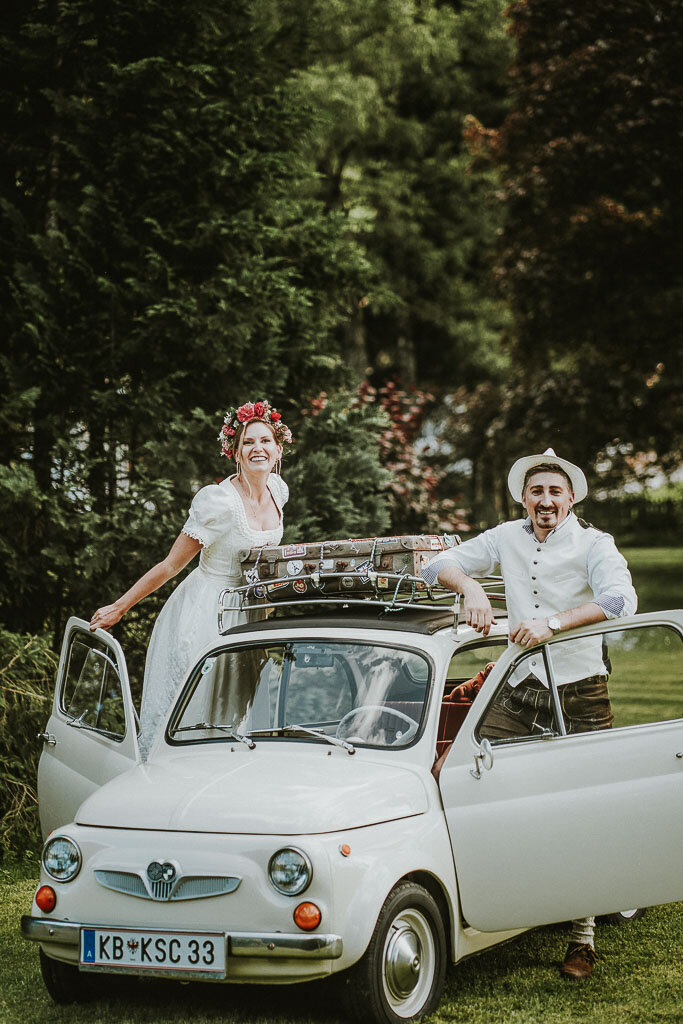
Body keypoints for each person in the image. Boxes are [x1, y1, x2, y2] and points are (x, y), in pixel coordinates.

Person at [421, 447, 637, 981]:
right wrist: (470, 586)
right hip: (518, 685)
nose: (545, 500)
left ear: (569, 499)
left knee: (584, 805)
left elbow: (620, 601)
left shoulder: (595, 543)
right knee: (466, 777)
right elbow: (434, 564)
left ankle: (582, 936)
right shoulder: (504, 537)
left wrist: (555, 624)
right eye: (536, 491)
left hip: (581, 685)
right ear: (523, 497)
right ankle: (489, 900)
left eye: (554, 492)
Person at [90, 400, 292, 759]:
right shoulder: (218, 502)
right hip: (207, 615)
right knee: (200, 713)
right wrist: (119, 607)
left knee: (240, 714)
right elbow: (170, 565)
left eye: (264, 441)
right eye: (248, 442)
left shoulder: (278, 491)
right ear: (235, 452)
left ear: (278, 449)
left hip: (248, 615)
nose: (257, 449)